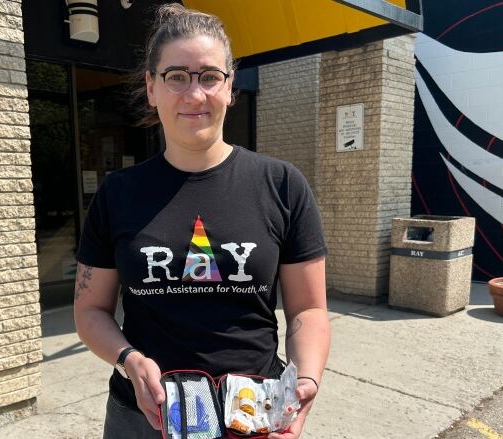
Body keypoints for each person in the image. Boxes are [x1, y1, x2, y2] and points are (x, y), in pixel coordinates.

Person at [73, 4, 330, 438]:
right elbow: (90, 309)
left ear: (231, 88)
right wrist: (129, 359)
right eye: (176, 77)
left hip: (251, 414)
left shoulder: (282, 184)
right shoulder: (119, 194)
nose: (195, 95)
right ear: (151, 88)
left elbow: (308, 308)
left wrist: (306, 379)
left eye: (210, 76)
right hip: (144, 416)